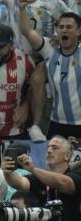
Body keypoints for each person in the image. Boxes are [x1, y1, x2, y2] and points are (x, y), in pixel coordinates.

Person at [17, 9, 81, 140]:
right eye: (61, 27)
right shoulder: (49, 48)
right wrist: (22, 8)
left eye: (69, 27)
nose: (64, 30)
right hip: (57, 122)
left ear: (78, 31)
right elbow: (27, 31)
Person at [2, 136, 81, 221]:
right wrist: (7, 172)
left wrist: (33, 169)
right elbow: (20, 183)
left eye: (55, 148)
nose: (49, 150)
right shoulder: (39, 177)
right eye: (47, 147)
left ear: (67, 155)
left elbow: (64, 183)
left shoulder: (76, 174)